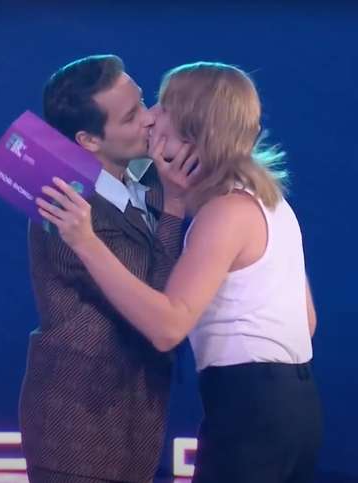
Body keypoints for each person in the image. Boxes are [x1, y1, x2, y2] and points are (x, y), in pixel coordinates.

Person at [38, 62, 320, 483]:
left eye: (161, 106)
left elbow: (168, 327)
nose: (152, 117)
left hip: (249, 411)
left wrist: (87, 242)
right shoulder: (272, 203)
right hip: (297, 409)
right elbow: (306, 321)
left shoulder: (224, 212)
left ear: (193, 132)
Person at [20, 54, 196, 483]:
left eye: (144, 102)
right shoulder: (65, 209)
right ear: (89, 140)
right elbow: (153, 297)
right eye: (132, 116)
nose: (150, 119)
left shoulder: (147, 180)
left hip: (135, 421)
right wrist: (175, 207)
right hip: (75, 431)